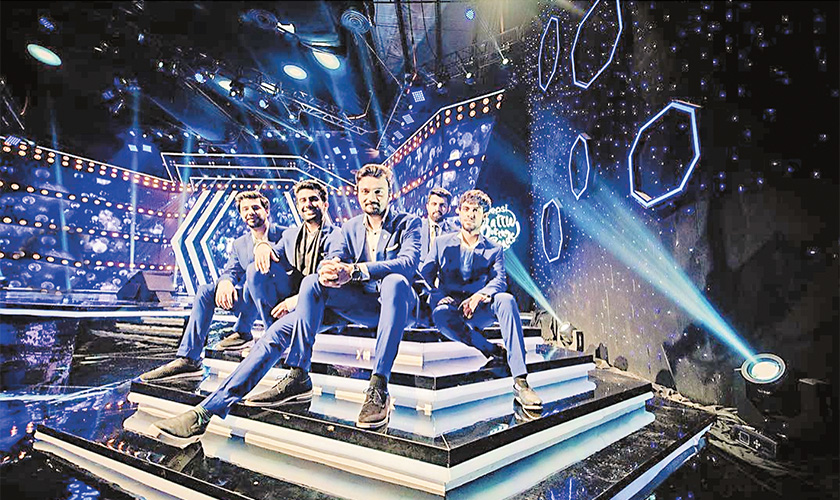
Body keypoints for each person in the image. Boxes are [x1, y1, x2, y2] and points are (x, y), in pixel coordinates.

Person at [150, 164, 421, 444]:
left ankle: (379, 386)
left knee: (394, 281)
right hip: (357, 305)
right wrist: (322, 267)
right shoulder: (349, 228)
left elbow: (408, 263)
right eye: (365, 191)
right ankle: (213, 408)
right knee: (303, 295)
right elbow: (334, 259)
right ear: (358, 193)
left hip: (399, 305)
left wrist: (353, 271)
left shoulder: (409, 223)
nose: (371, 197)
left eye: (378, 192)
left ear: (390, 194)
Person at [139, 191, 282, 382]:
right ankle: (189, 359)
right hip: (252, 299)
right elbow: (231, 270)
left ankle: (255, 333)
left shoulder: (285, 234)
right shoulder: (239, 244)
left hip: (279, 300)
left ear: (267, 210)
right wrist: (225, 282)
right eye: (245, 209)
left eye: (255, 207)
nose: (250, 212)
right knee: (206, 291)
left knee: (253, 275)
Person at [419, 189, 542, 410]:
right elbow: (425, 276)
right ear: (458, 212)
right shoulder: (441, 243)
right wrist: (440, 296)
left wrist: (479, 296)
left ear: (485, 215)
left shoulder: (494, 248)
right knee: (440, 314)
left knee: (506, 300)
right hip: (451, 311)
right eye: (466, 209)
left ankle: (521, 381)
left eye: (476, 210)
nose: (470, 214)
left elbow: (499, 281)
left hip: (479, 309)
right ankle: (490, 349)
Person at [418, 187, 457, 265]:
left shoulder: (455, 233)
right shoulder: (416, 228)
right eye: (434, 204)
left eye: (442, 205)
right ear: (427, 206)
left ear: (448, 209)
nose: (437, 208)